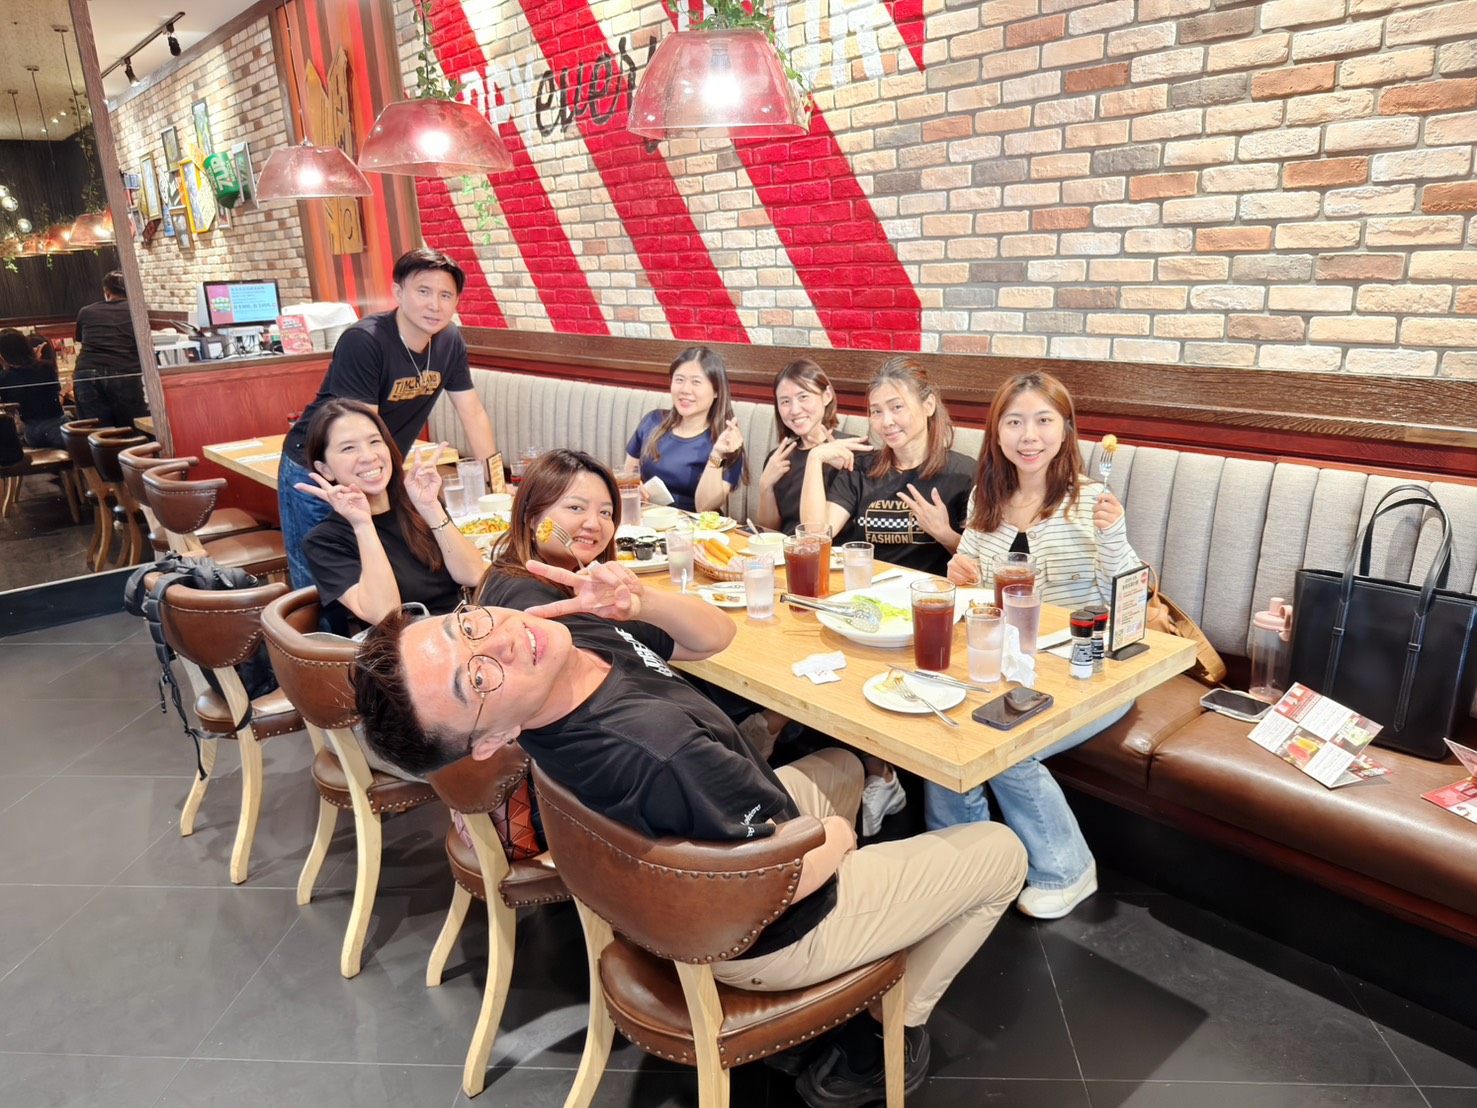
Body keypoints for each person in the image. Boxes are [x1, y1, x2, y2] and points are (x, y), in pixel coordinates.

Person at [353, 596, 1027, 1108]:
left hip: (699, 869)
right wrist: (840, 843)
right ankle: (882, 1032)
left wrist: (639, 600)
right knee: (1001, 853)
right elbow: (773, 882)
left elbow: (714, 637)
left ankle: (858, 944)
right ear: (488, 742)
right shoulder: (657, 752)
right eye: (477, 680)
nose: (501, 638)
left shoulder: (562, 636)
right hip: (758, 930)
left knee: (843, 766)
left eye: (465, 626)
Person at [936, 370, 1140, 920]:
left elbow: (1128, 596)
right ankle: (959, 869)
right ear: (997, 433)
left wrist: (1115, 536)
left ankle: (1068, 871)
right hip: (1010, 669)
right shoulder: (986, 498)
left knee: (1005, 745)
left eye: (1044, 420)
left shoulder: (1092, 501)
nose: (1029, 435)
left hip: (1087, 668)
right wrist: (960, 572)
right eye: (1015, 422)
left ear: (1066, 429)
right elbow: (976, 587)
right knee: (942, 727)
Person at [798, 356, 975, 834]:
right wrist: (815, 461)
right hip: (864, 611)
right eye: (876, 411)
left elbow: (980, 565)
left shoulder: (964, 475)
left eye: (897, 407)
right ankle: (878, 773)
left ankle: (880, 775)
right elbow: (816, 536)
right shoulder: (863, 469)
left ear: (929, 405)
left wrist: (945, 534)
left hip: (928, 622)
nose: (885, 421)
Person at [279, 248, 499, 589]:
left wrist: (496, 482)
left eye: (445, 295)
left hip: (376, 469)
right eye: (423, 291)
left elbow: (472, 412)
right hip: (322, 467)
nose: (434, 305)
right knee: (321, 584)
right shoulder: (365, 341)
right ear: (398, 292)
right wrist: (390, 482)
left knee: (378, 574)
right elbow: (361, 431)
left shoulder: (450, 340)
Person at [296, 399, 487, 630]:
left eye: (374, 441)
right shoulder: (324, 541)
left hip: (465, 629)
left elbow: (473, 574)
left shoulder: (418, 505)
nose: (368, 456)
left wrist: (431, 508)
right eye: (348, 448)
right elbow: (385, 615)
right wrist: (363, 524)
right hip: (404, 645)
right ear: (324, 469)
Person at [625, 346, 744, 514]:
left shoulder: (726, 441)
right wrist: (634, 488)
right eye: (679, 380)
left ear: (716, 391)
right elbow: (628, 475)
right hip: (649, 519)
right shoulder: (652, 422)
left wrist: (717, 455)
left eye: (696, 382)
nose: (685, 390)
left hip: (696, 526)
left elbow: (705, 507)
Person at [756, 358, 841, 535]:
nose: (795, 410)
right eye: (785, 401)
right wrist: (765, 487)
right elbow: (768, 532)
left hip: (831, 549)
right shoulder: (779, 458)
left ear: (826, 396)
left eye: (803, 397)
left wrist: (851, 468)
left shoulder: (849, 450)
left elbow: (819, 534)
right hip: (784, 548)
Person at [72, 270, 149, 428]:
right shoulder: (137, 310)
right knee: (131, 429)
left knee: (97, 433)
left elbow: (81, 340)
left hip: (86, 374)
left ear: (107, 291)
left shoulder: (86, 312)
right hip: (124, 373)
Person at [0, 329, 65, 449]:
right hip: (56, 426)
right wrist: (64, 392)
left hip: (31, 432)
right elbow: (56, 400)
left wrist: (5, 366)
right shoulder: (46, 367)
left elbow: (10, 406)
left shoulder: (4, 378)